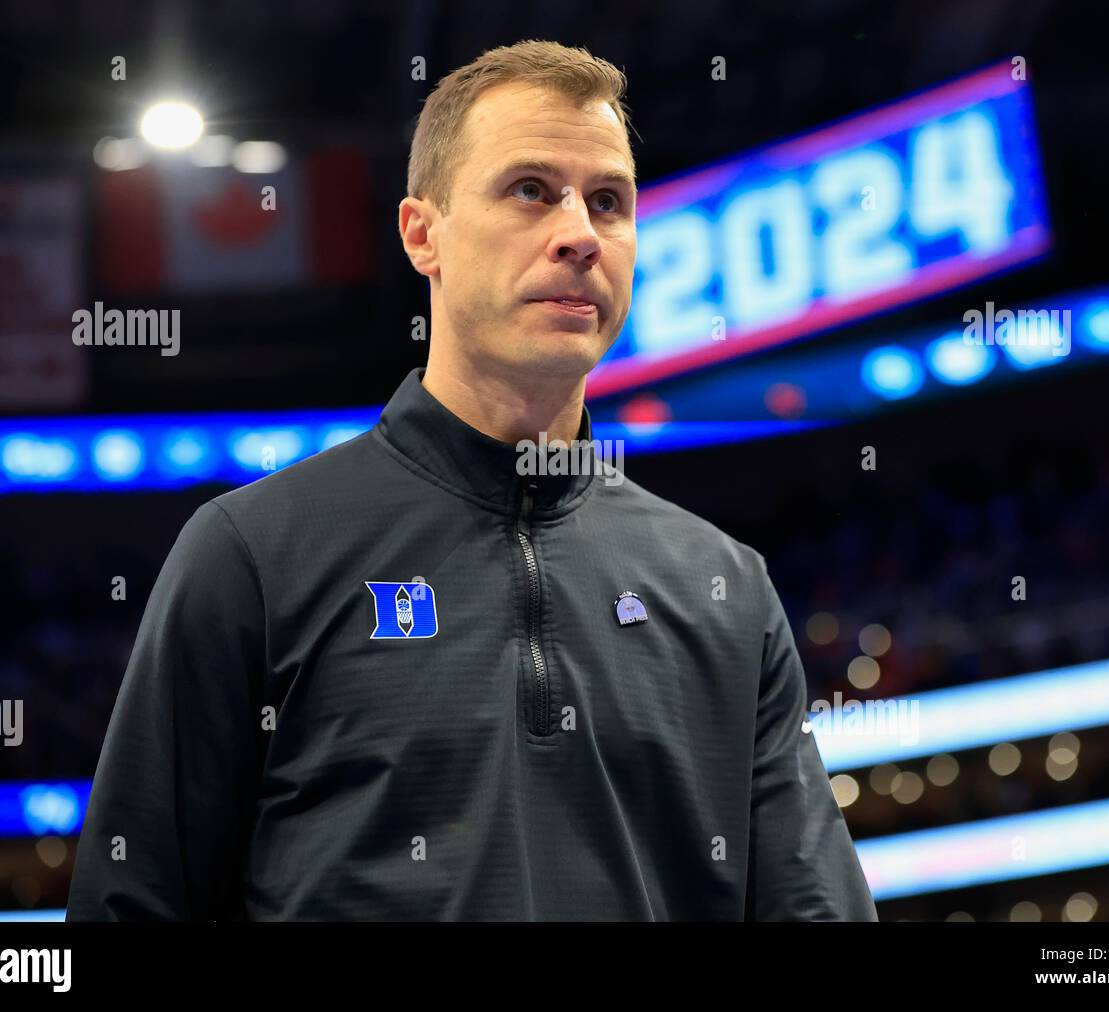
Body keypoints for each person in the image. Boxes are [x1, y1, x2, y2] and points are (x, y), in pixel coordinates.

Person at [66, 39, 876, 921]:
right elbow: (129, 906)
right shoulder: (252, 555)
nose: (578, 233)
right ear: (424, 233)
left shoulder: (726, 588)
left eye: (608, 202)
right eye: (530, 190)